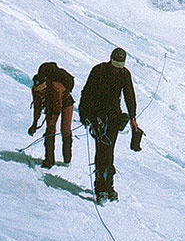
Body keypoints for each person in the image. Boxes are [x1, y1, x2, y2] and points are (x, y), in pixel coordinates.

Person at [79, 48, 141, 204]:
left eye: (120, 66)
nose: (117, 69)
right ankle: (101, 188)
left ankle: (108, 186)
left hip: (114, 117)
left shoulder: (124, 74)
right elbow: (86, 93)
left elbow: (129, 95)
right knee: (102, 151)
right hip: (96, 117)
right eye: (115, 65)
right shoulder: (98, 70)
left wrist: (133, 117)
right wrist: (85, 116)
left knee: (109, 151)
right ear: (111, 60)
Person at [28, 62, 75, 169]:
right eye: (37, 89)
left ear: (45, 83)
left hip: (66, 103)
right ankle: (49, 159)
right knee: (50, 130)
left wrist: (52, 122)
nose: (39, 91)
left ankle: (67, 160)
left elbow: (57, 107)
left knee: (65, 129)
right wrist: (34, 124)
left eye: (41, 88)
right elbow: (37, 107)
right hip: (51, 104)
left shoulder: (55, 87)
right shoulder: (36, 90)